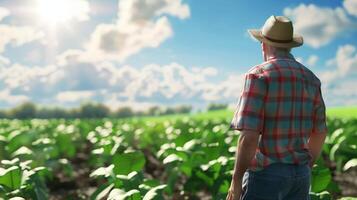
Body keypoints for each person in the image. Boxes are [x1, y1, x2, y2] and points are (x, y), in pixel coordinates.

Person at [226, 15, 328, 200]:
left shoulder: (258, 75)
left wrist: (236, 180)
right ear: (289, 46)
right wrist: (304, 166)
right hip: (301, 176)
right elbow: (320, 132)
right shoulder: (311, 79)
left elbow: (249, 138)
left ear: (263, 45)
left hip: (266, 176)